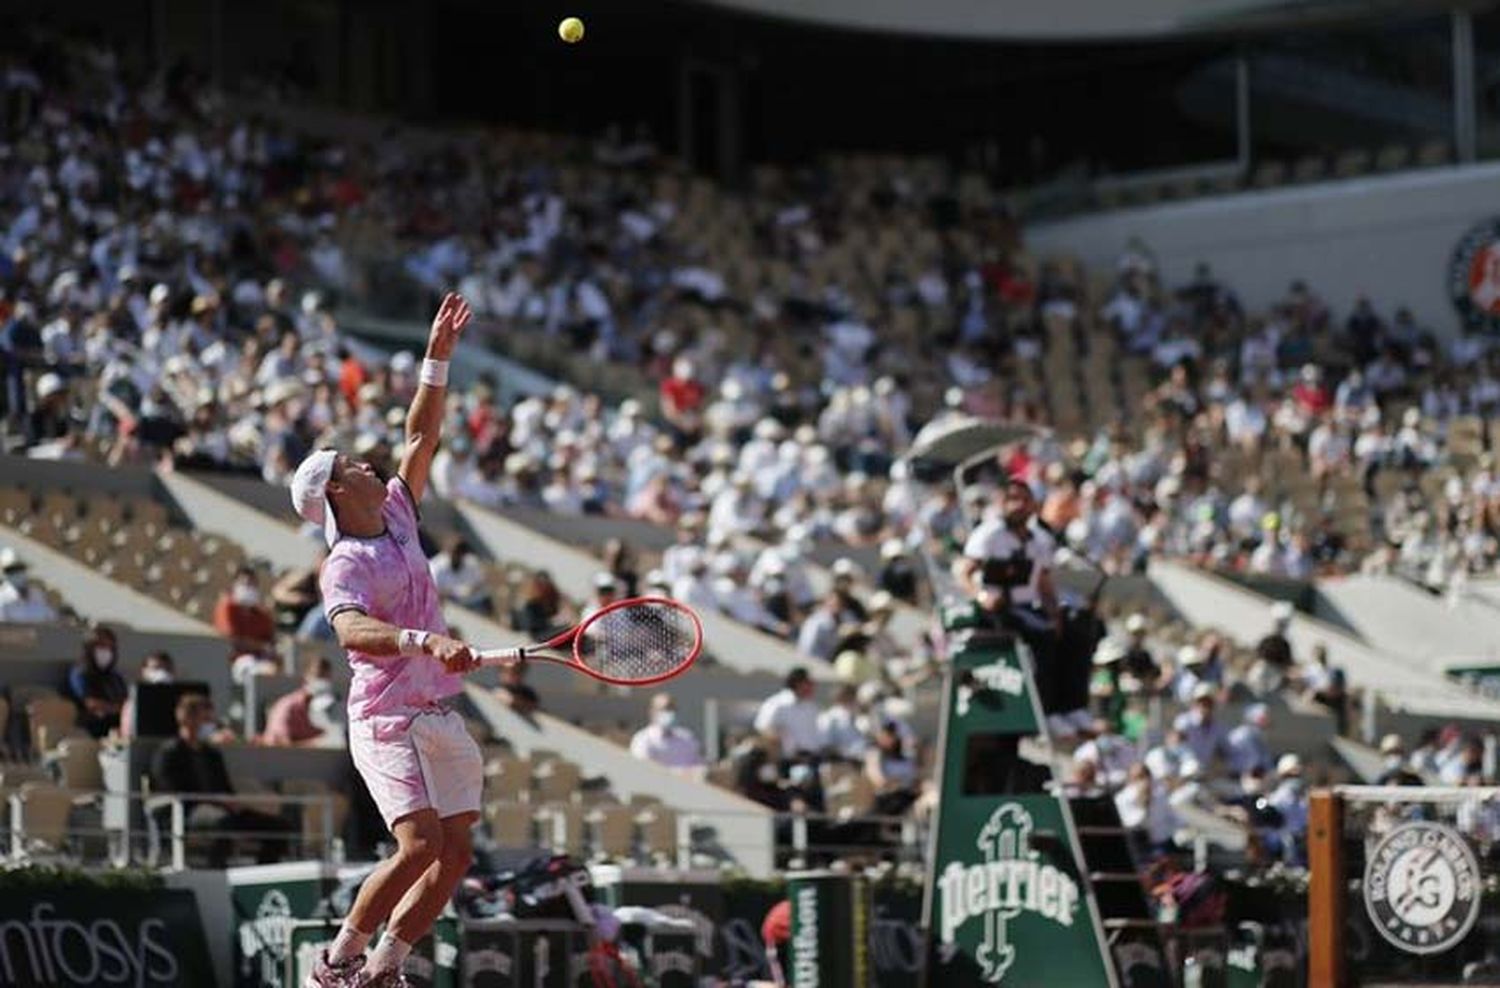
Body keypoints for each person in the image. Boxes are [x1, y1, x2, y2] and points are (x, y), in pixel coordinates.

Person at [291, 293, 485, 988]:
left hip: (434, 706)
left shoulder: (399, 511)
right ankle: (335, 964)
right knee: (418, 845)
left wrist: (437, 359)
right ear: (337, 494)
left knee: (456, 854)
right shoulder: (343, 563)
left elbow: (419, 437)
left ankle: (385, 968)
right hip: (383, 716)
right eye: (353, 466)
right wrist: (422, 641)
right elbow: (350, 630)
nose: (369, 466)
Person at [149, 694, 295, 867]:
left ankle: (263, 874)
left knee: (279, 827)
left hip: (221, 807)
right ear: (188, 719)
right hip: (188, 811)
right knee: (223, 822)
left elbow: (225, 787)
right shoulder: (169, 752)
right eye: (206, 719)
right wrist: (212, 800)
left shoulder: (212, 754)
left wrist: (233, 802)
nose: (210, 725)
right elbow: (170, 789)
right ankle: (216, 870)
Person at [958, 479, 1063, 693]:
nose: (1018, 506)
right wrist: (982, 596)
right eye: (1012, 499)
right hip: (995, 609)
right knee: (1041, 635)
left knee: (1077, 628)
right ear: (1001, 503)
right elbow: (964, 573)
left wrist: (1055, 613)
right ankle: (1039, 705)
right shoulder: (988, 535)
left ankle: (1065, 708)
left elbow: (1044, 584)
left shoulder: (1039, 540)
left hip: (1027, 607)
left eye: (1024, 500)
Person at [261, 656, 342, 748]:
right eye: (318, 675)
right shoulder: (288, 706)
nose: (322, 681)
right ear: (306, 677)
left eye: (326, 677)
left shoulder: (328, 705)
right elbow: (278, 746)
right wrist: (318, 743)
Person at [65, 624, 128, 739]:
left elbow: (126, 700)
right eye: (101, 646)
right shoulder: (80, 673)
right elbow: (92, 704)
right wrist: (118, 709)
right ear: (89, 648)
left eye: (110, 648)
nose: (106, 652)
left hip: (119, 723)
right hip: (91, 726)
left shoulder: (115, 676)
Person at [754, 668, 824, 759]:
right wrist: (781, 743)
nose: (813, 687)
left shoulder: (811, 707)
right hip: (787, 760)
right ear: (798, 683)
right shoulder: (777, 703)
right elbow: (763, 727)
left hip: (811, 757)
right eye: (809, 683)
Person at [628, 693, 703, 772]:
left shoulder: (687, 738)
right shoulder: (643, 739)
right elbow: (643, 769)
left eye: (673, 709)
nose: (670, 713)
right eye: (666, 709)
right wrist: (681, 772)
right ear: (652, 712)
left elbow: (699, 766)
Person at [214, 565, 277, 656]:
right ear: (235, 585)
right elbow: (231, 640)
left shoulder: (261, 614)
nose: (248, 588)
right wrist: (261, 646)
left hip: (260, 659)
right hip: (232, 658)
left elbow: (271, 642)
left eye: (251, 584)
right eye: (243, 584)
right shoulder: (226, 607)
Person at [120, 650, 176, 740]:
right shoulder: (133, 701)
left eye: (166, 669)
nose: (162, 673)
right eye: (156, 668)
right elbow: (127, 732)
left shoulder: (182, 700)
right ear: (144, 671)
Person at [428, 537, 491, 612]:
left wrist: (470, 590)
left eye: (458, 554)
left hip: (470, 604)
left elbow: (480, 583)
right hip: (443, 602)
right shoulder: (435, 566)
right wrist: (452, 592)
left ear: (463, 555)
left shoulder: (472, 563)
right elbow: (431, 589)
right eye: (453, 553)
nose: (455, 556)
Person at [0, 548, 58, 622]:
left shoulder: (37, 593)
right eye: (12, 572)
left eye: (21, 569)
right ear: (7, 576)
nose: (18, 574)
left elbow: (50, 615)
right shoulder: (3, 598)